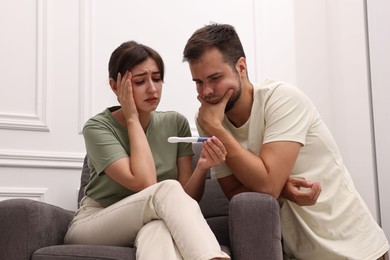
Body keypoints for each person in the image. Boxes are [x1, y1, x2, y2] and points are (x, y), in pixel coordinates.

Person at [183, 23, 389, 260]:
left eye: (215, 78)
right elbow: (234, 193)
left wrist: (217, 129)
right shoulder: (208, 119)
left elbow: (268, 186)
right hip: (298, 253)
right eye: (198, 82)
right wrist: (281, 188)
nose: (207, 91)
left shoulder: (282, 100)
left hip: (354, 250)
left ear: (241, 66)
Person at [64, 40, 230, 260]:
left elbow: (184, 201)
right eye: (140, 81)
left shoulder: (175, 123)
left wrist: (201, 168)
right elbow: (145, 182)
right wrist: (132, 117)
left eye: (157, 78)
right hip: (96, 221)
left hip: (150, 219)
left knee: (158, 230)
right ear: (115, 86)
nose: (152, 89)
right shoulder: (97, 128)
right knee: (167, 189)